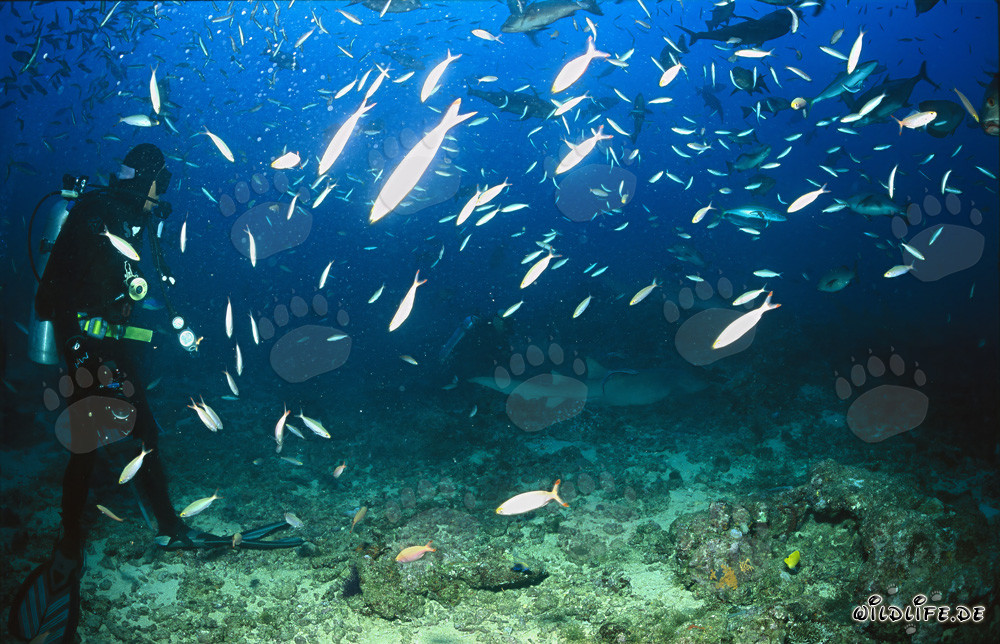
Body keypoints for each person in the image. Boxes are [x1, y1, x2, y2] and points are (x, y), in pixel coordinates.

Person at [8, 144, 302, 644]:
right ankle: (70, 547)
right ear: (143, 180)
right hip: (84, 351)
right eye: (159, 186)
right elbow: (48, 298)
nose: (160, 196)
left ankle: (167, 526)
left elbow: (129, 292)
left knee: (144, 433)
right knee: (86, 448)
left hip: (112, 351)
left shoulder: (128, 224)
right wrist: (80, 353)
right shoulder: (95, 216)